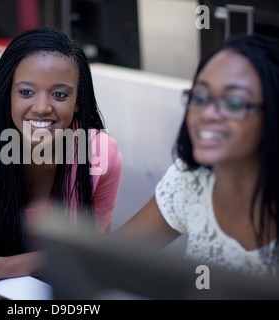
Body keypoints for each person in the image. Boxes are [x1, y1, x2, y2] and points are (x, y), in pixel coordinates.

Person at [0, 27, 123, 293]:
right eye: (26, 92)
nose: (42, 107)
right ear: (8, 93)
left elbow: (87, 251)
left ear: (78, 101)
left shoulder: (100, 156)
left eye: (59, 94)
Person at [116, 34, 279, 277]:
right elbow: (113, 255)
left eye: (234, 103)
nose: (207, 114)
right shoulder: (191, 178)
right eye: (200, 98)